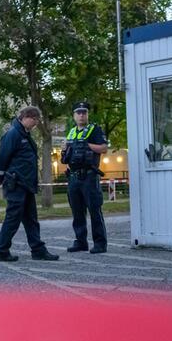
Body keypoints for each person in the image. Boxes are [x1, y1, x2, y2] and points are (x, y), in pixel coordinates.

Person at [0, 106, 60, 262]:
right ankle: (1, 251)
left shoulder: (23, 133)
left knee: (31, 219)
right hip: (17, 183)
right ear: (27, 117)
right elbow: (2, 158)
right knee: (13, 218)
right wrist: (0, 177)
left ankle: (38, 250)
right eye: (35, 120)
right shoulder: (13, 134)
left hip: (25, 183)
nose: (36, 124)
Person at [62, 101, 109, 253]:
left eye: (84, 112)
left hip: (89, 176)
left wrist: (86, 145)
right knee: (77, 211)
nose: (81, 115)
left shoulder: (94, 130)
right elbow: (67, 154)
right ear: (74, 116)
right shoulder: (71, 132)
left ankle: (100, 243)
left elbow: (104, 148)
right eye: (78, 112)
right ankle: (80, 241)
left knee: (94, 210)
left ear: (87, 114)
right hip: (74, 177)